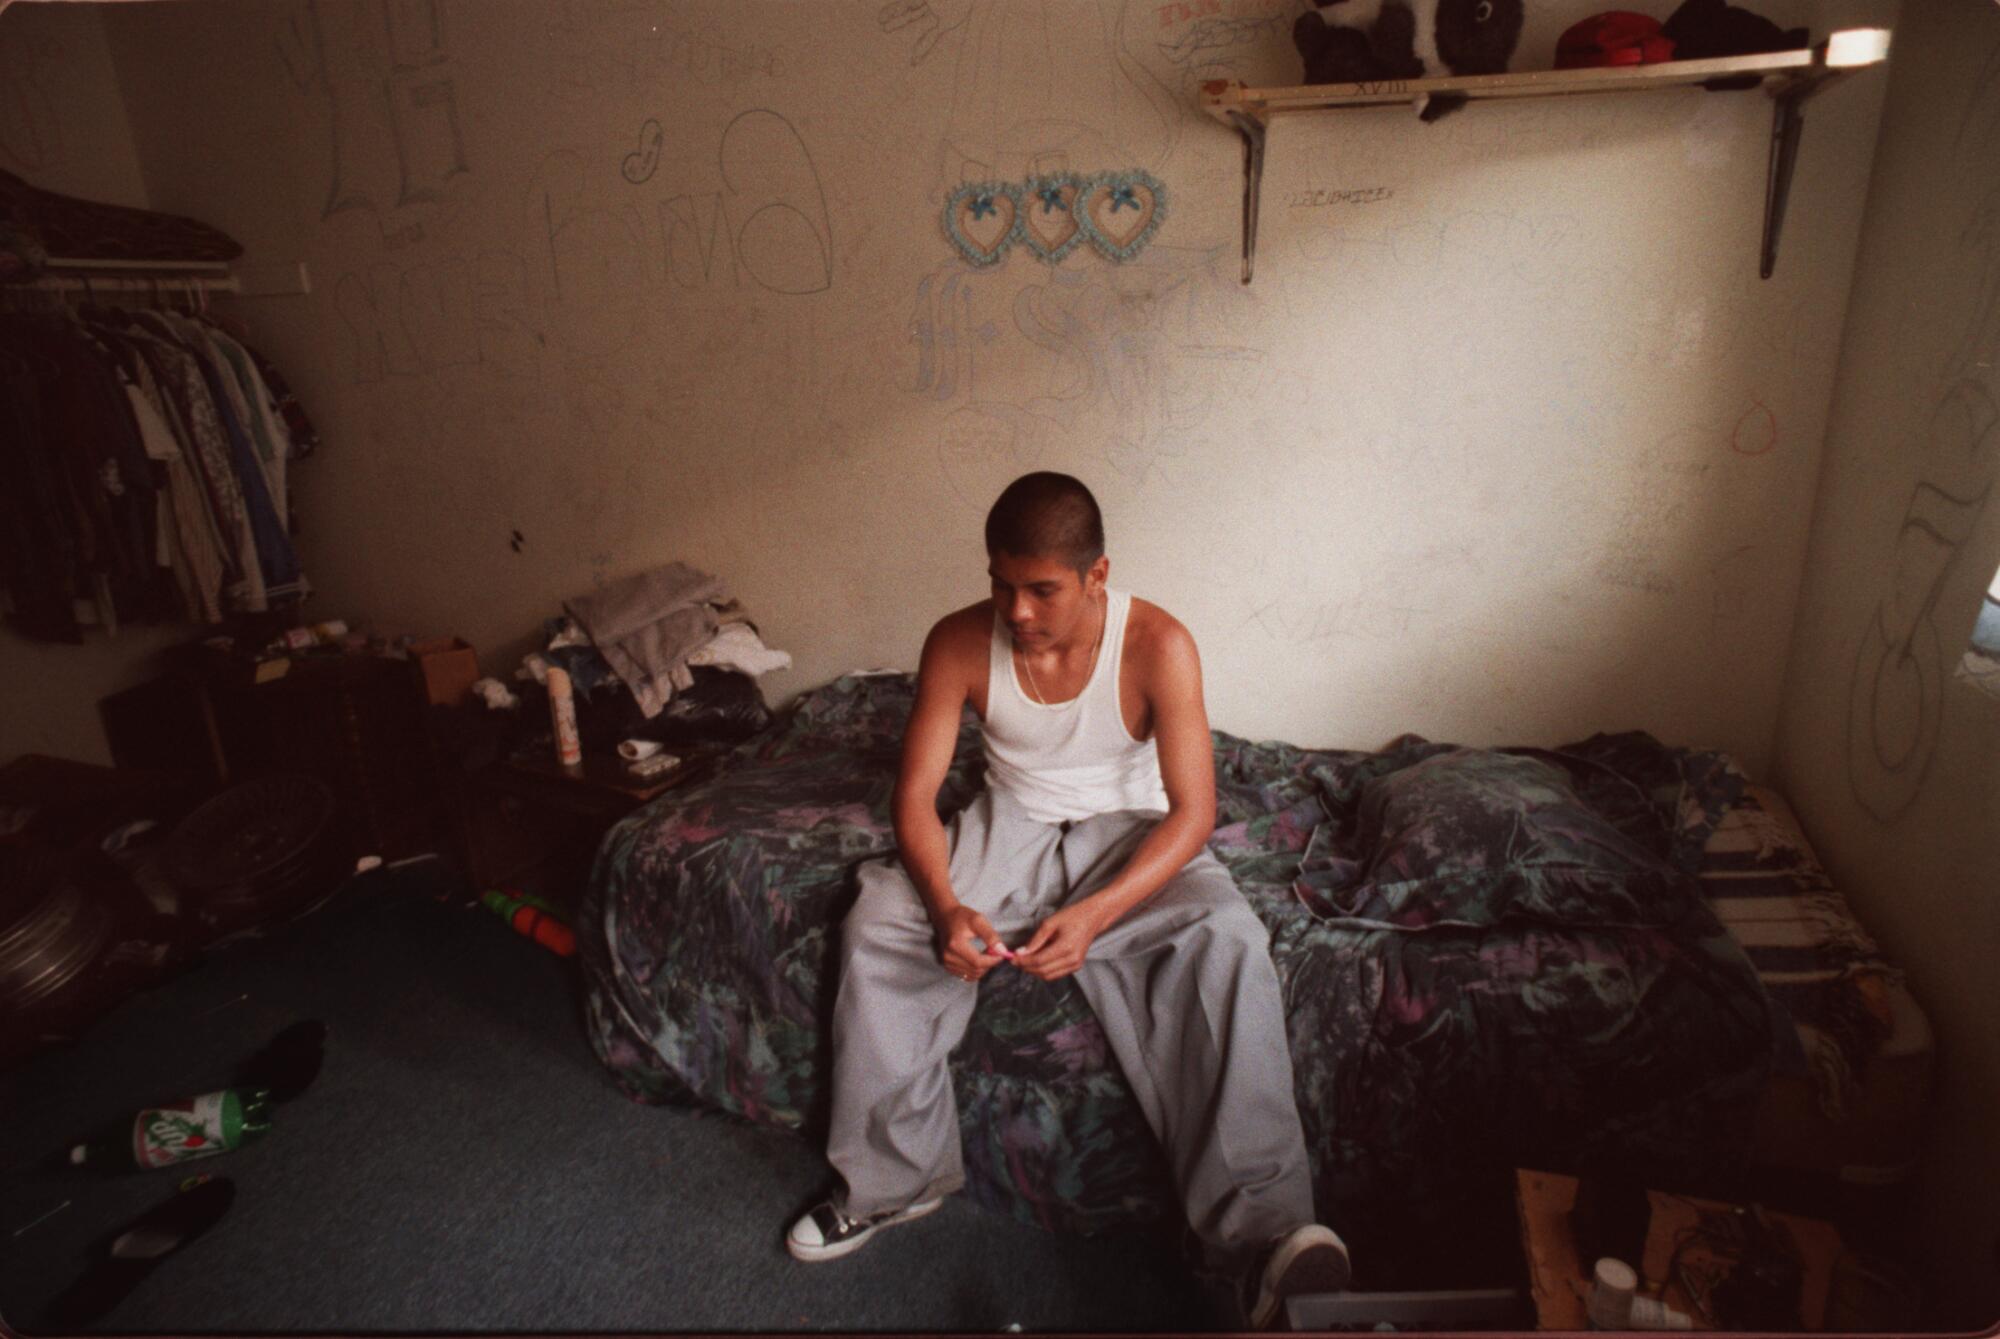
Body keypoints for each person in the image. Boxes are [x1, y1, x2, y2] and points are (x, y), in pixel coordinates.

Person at [787, 472, 1350, 1327]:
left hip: (1131, 828)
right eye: (1000, 584)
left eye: (1040, 588)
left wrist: (1095, 914)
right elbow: (916, 795)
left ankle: (1264, 1240)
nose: (1016, 611)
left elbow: (1196, 811)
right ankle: (894, 1181)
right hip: (1009, 820)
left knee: (1227, 941)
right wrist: (944, 908)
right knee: (880, 918)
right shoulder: (957, 641)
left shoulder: (1158, 642)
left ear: (1096, 575)